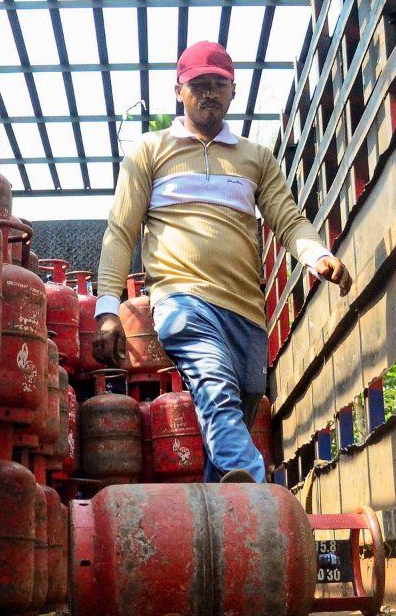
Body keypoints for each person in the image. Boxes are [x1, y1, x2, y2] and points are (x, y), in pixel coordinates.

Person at [92, 40, 352, 484]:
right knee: (216, 389)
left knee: (232, 415)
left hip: (247, 314)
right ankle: (257, 490)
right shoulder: (150, 150)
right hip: (182, 299)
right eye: (198, 84)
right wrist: (106, 310)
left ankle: (225, 532)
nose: (208, 93)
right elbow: (121, 231)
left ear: (233, 92)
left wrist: (318, 255)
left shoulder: (256, 158)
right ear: (179, 91)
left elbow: (288, 220)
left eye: (218, 84)